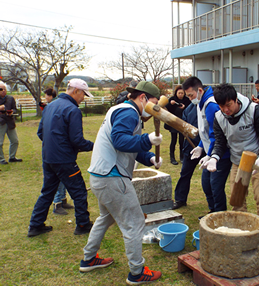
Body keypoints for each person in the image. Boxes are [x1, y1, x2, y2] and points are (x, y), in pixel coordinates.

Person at [80, 81, 163, 285]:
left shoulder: (122, 110)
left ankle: (89, 259)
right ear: (143, 98)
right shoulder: (129, 113)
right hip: (112, 177)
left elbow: (129, 146)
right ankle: (137, 272)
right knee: (134, 223)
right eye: (154, 103)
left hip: (100, 176)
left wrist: (150, 157)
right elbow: (119, 140)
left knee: (106, 218)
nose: (154, 110)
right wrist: (147, 139)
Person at [206, 83, 259, 247]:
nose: (226, 109)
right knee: (236, 199)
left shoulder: (254, 110)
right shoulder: (219, 117)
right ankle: (241, 227)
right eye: (221, 106)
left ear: (235, 100)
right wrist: (214, 157)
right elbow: (220, 142)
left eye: (228, 105)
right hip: (237, 161)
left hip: (257, 161)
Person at [28, 79, 94, 237]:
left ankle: (35, 225)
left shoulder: (50, 106)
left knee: (47, 192)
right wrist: (96, 146)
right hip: (64, 160)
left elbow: (40, 133)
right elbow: (77, 140)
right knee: (79, 192)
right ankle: (83, 224)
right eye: (83, 94)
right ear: (76, 91)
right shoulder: (73, 110)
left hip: (48, 158)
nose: (83, 98)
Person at [182, 77, 231, 218]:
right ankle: (212, 212)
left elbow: (216, 134)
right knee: (206, 184)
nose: (190, 99)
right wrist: (200, 146)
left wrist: (210, 155)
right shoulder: (201, 103)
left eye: (191, 95)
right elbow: (205, 131)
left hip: (221, 154)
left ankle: (219, 215)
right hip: (210, 151)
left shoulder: (211, 105)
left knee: (216, 186)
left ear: (200, 90)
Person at [40, 88, 75, 215]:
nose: (45, 98)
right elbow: (41, 132)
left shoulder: (53, 107)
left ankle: (62, 199)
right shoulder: (54, 108)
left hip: (54, 151)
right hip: (57, 153)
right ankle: (57, 203)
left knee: (62, 178)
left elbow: (41, 132)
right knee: (56, 179)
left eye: (46, 96)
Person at [172, 102, 204, 209]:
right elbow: (183, 123)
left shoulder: (209, 106)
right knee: (185, 173)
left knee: (210, 178)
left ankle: (214, 205)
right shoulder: (189, 108)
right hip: (190, 147)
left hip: (206, 146)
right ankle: (180, 199)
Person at [165, 85, 191, 165]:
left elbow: (190, 109)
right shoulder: (172, 99)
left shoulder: (187, 100)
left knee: (181, 141)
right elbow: (167, 109)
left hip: (182, 122)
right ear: (176, 93)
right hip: (173, 122)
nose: (180, 94)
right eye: (179, 93)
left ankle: (182, 157)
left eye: (182, 93)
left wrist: (184, 107)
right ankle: (172, 157)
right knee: (173, 140)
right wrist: (170, 104)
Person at [0, 81, 22, 165]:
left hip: (10, 122)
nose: (3, 91)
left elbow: (15, 109)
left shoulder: (10, 98)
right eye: (1, 89)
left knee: (15, 141)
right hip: (1, 122)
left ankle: (12, 157)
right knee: (0, 143)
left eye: (4, 89)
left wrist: (12, 112)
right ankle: (1, 159)